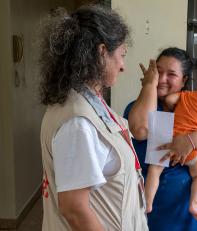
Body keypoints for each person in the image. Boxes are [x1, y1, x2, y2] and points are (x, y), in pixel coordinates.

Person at [39, 5, 148, 231]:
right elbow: (75, 210)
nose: (123, 66)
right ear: (101, 52)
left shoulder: (88, 101)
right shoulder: (77, 121)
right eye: (121, 55)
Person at [124, 47, 197, 231]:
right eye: (158, 72)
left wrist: (189, 140)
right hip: (160, 219)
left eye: (171, 74)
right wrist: (149, 86)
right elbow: (140, 130)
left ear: (184, 80)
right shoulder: (140, 106)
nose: (162, 79)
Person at [144, 70, 197, 223]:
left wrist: (174, 108)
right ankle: (194, 204)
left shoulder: (185, 95)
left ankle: (148, 203)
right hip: (193, 152)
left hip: (170, 141)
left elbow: (170, 99)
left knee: (154, 170)